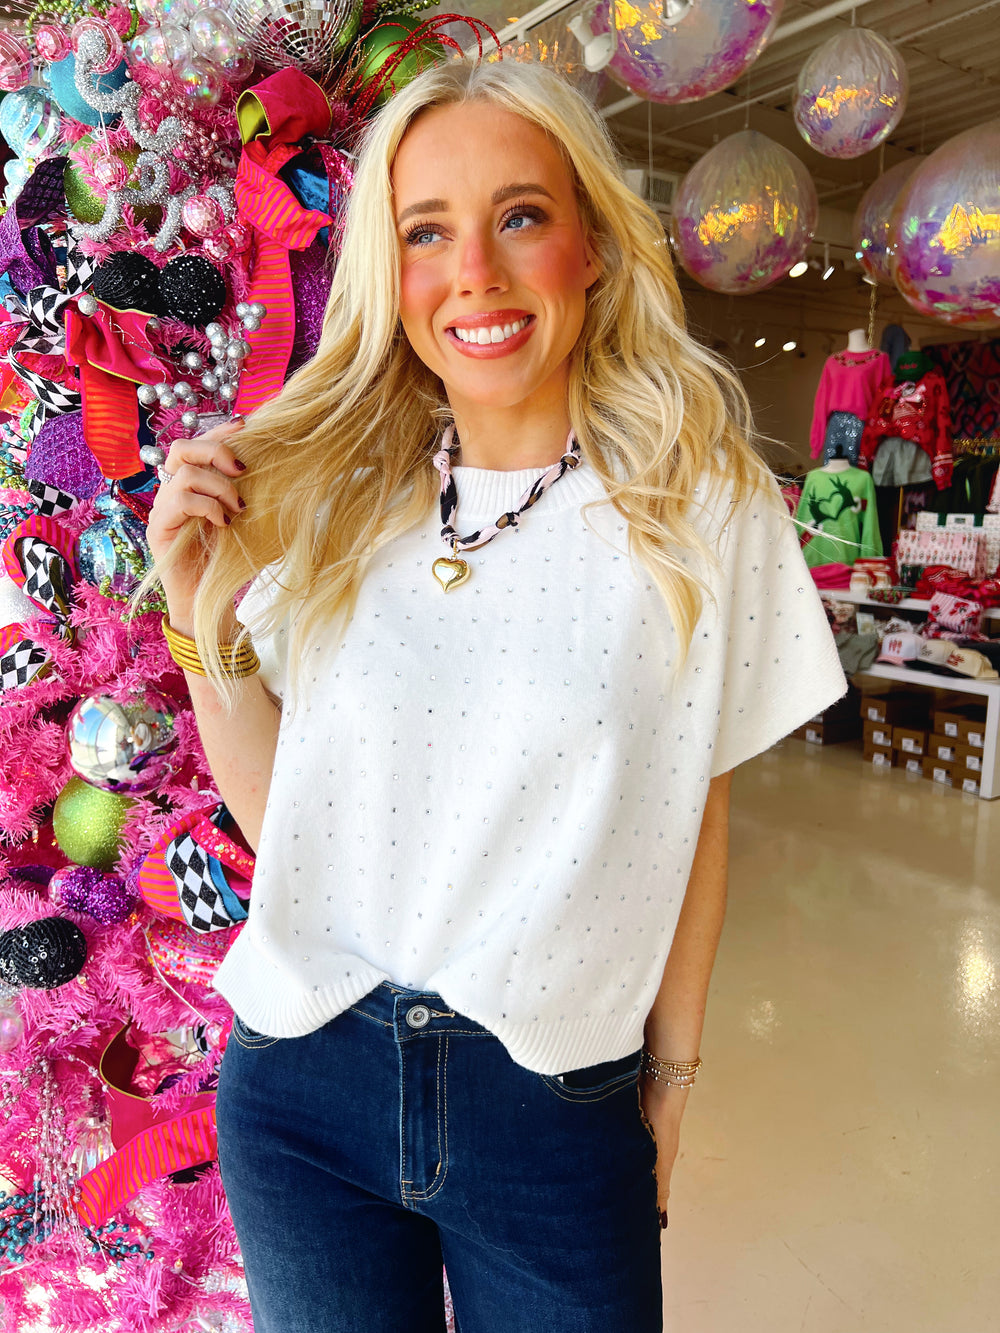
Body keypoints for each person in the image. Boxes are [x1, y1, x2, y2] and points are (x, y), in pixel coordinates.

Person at [144, 57, 844, 1333]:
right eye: (427, 231)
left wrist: (672, 1084)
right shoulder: (337, 496)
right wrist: (200, 628)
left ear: (592, 244)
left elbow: (695, 822)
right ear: (390, 270)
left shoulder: (697, 506)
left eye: (519, 215)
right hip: (304, 1085)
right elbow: (289, 825)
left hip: (552, 1102)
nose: (473, 271)